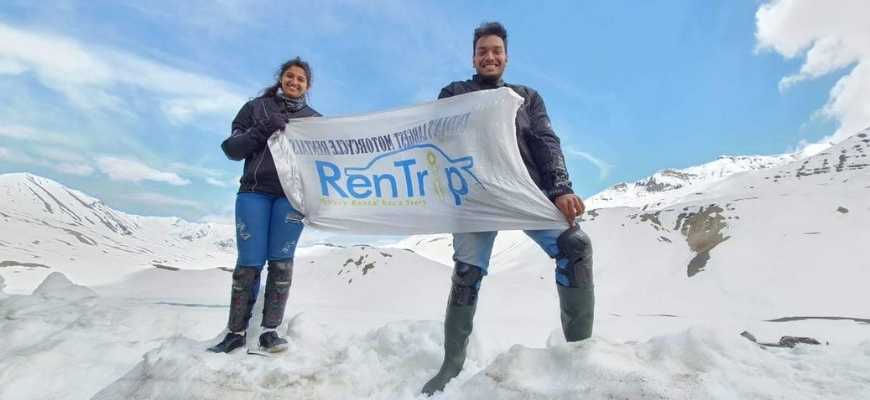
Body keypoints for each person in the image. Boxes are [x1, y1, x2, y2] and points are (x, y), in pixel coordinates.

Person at [421, 22, 594, 395]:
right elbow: (437, 134)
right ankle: (452, 363)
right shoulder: (454, 93)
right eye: (483, 51)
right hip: (475, 196)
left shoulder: (526, 97)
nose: (490, 57)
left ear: (506, 56)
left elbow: (546, 142)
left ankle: (580, 355)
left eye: (496, 50)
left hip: (522, 190)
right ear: (473, 57)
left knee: (575, 246)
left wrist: (561, 188)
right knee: (467, 272)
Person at [208, 57, 321, 354]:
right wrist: (264, 129)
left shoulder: (315, 121)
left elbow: (324, 164)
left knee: (281, 264)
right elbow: (231, 149)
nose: (294, 82)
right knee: (248, 264)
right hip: (254, 194)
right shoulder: (256, 108)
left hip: (292, 199)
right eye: (290, 76)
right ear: (281, 78)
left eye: (301, 79)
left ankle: (270, 332)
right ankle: (235, 333)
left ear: (307, 86)